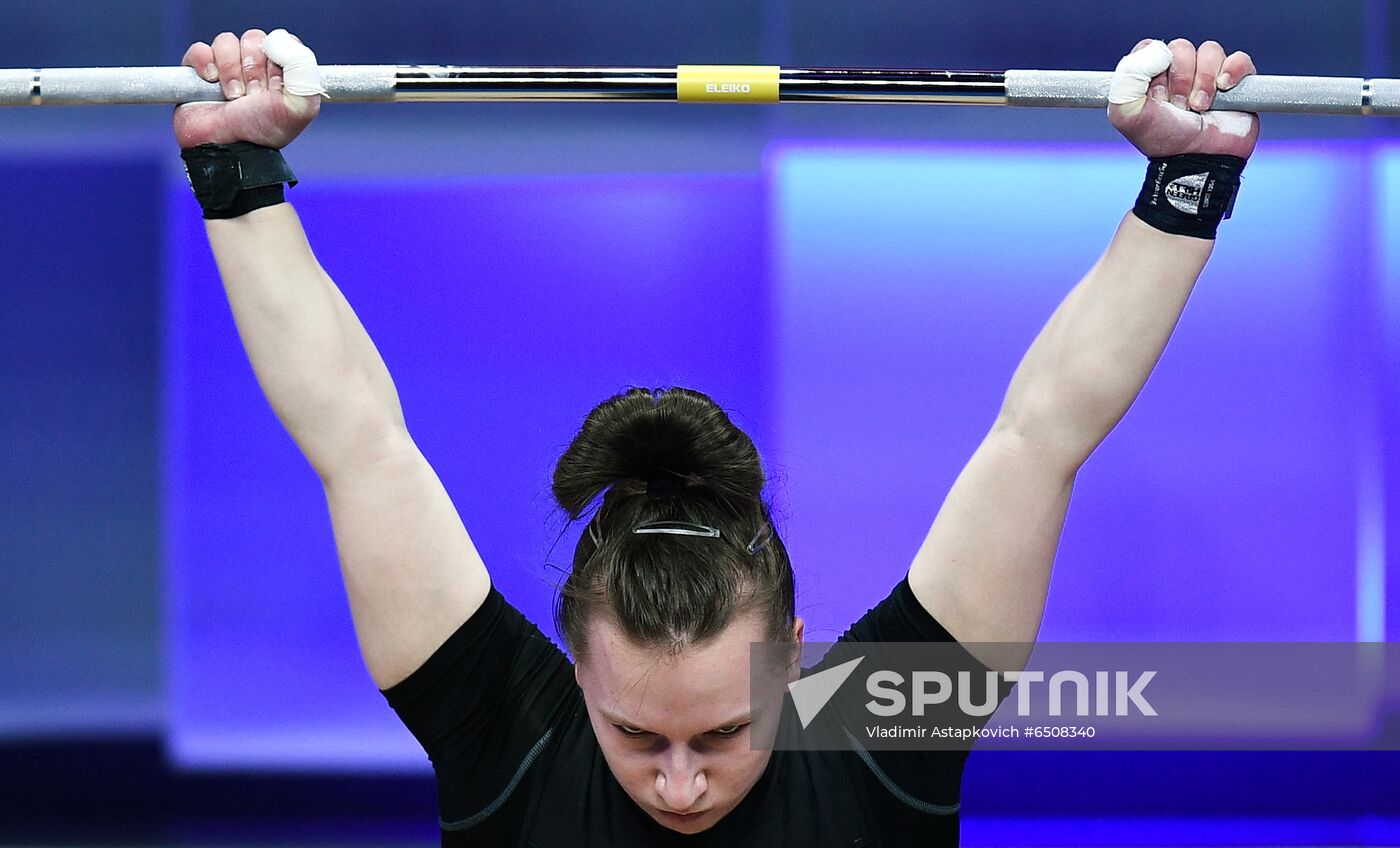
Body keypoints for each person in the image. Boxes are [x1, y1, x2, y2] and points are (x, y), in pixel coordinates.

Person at [174, 28, 1259, 846]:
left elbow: (1041, 432)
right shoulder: (510, 730)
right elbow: (355, 436)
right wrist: (239, 174)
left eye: (721, 732)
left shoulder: (870, 725)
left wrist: (1185, 183)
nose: (679, 782)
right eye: (638, 734)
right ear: (577, 672)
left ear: (791, 658)